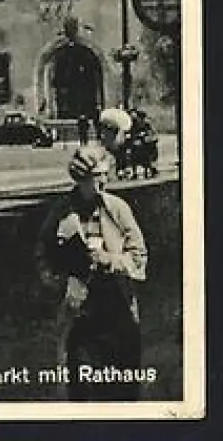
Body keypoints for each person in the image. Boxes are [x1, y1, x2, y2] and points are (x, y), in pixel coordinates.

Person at [36, 145, 148, 401]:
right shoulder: (61, 212)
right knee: (82, 390)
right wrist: (59, 282)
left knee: (122, 390)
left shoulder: (118, 209)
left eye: (106, 174)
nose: (104, 180)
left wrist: (110, 260)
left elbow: (139, 256)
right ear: (82, 177)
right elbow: (42, 255)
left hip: (118, 312)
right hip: (80, 316)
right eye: (98, 175)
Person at [97, 107, 132, 178]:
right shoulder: (107, 129)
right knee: (114, 157)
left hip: (115, 145)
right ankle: (117, 171)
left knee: (119, 157)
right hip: (112, 145)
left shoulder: (116, 129)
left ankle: (120, 170)